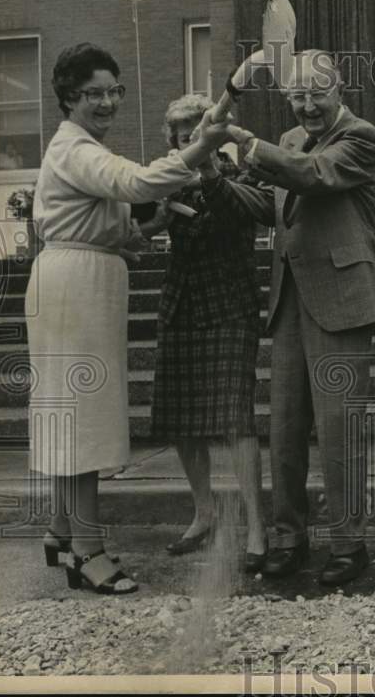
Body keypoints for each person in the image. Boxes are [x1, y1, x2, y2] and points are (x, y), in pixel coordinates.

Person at [28, 43, 228, 595]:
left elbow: (106, 226)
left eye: (114, 91)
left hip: (83, 283)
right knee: (83, 418)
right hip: (74, 291)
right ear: (69, 97)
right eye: (94, 93)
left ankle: (62, 530)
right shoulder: (75, 148)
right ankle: (87, 553)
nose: (108, 102)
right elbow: (137, 182)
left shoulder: (81, 148)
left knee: (73, 412)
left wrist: (151, 225)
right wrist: (201, 147)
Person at [203, 50, 375, 586]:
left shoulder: (361, 138)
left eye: (316, 93)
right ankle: (288, 538)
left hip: (341, 301)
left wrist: (243, 142)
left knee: (338, 432)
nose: (306, 105)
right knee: (284, 431)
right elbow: (270, 206)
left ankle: (349, 545)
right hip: (289, 303)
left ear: (340, 89)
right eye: (296, 95)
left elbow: (313, 177)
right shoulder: (286, 142)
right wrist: (212, 172)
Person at [141, 94, 268, 572]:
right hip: (181, 302)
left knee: (236, 416)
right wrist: (156, 214)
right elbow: (138, 215)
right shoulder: (166, 177)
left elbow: (251, 213)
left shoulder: (241, 175)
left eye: (198, 138)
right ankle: (205, 512)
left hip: (229, 303)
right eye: (182, 142)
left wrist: (210, 176)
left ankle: (256, 525)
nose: (190, 148)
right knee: (180, 417)